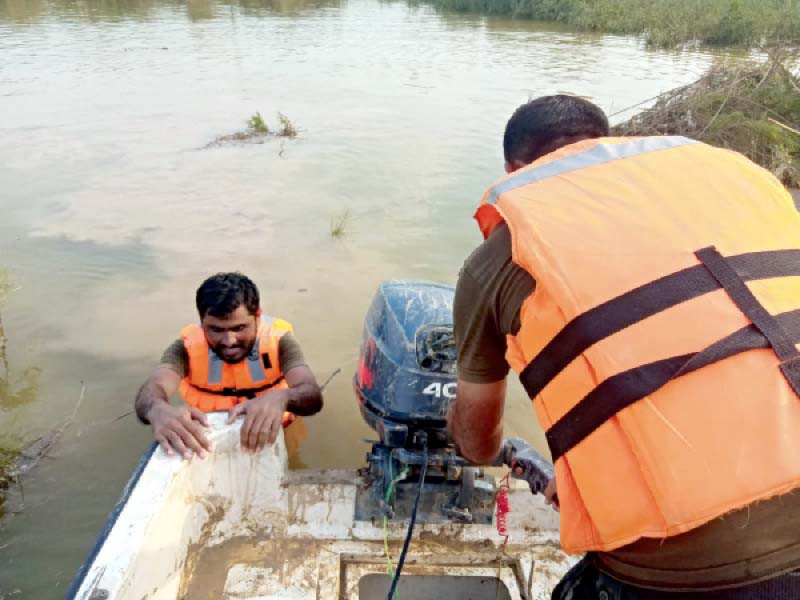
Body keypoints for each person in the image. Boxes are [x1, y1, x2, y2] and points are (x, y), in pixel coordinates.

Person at [447, 95, 800, 598]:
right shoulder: (752, 189)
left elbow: (478, 444)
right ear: (608, 142)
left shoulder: (500, 259)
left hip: (690, 576)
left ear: (512, 168)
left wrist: (461, 431)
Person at [135, 272, 322, 459]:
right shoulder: (184, 349)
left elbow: (312, 394)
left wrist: (283, 397)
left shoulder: (281, 342)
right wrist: (157, 409)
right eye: (216, 329)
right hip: (208, 440)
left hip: (275, 433)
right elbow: (154, 386)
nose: (229, 341)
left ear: (257, 316)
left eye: (239, 328)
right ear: (202, 323)